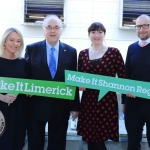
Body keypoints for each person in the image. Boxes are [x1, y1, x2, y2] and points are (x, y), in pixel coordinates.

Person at [25, 14, 80, 150]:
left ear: (61, 30)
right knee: (35, 144)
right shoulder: (31, 49)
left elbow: (73, 80)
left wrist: (75, 106)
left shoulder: (71, 52)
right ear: (43, 29)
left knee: (58, 145)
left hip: (60, 108)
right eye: (48, 27)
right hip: (36, 107)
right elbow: (25, 76)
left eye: (56, 27)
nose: (52, 31)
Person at [77, 22, 127, 150]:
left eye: (100, 32)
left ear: (104, 34)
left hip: (106, 102)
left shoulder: (114, 52)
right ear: (89, 35)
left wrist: (125, 101)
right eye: (93, 32)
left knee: (99, 140)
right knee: (90, 139)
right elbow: (78, 77)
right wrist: (80, 84)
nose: (96, 35)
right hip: (88, 102)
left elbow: (123, 77)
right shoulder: (82, 54)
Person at [122, 14, 150, 150]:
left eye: (145, 25)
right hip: (133, 103)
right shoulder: (131, 48)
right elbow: (126, 74)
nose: (142, 29)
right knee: (132, 143)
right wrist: (123, 101)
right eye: (139, 26)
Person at [0, 28, 29, 150]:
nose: (15, 44)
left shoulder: (23, 63)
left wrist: (30, 92)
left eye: (18, 41)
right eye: (12, 40)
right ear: (4, 42)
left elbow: (28, 85)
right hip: (2, 113)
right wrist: (2, 97)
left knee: (17, 144)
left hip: (20, 112)